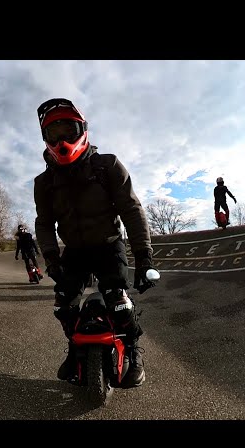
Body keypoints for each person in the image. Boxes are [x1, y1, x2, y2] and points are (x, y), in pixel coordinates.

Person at [33, 97, 158, 388]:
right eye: (55, 134)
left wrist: (144, 257)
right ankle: (75, 349)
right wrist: (52, 261)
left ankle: (135, 355)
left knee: (120, 304)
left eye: (69, 130)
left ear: (83, 130)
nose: (63, 139)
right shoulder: (44, 182)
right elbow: (44, 223)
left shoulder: (108, 165)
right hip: (74, 251)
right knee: (63, 305)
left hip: (109, 245)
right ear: (45, 139)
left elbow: (132, 209)